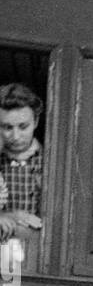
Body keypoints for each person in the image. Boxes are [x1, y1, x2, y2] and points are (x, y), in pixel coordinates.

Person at [0, 83, 44, 269]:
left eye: (23, 126)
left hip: (35, 258)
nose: (15, 136)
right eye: (7, 127)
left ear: (36, 122)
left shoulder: (50, 161)